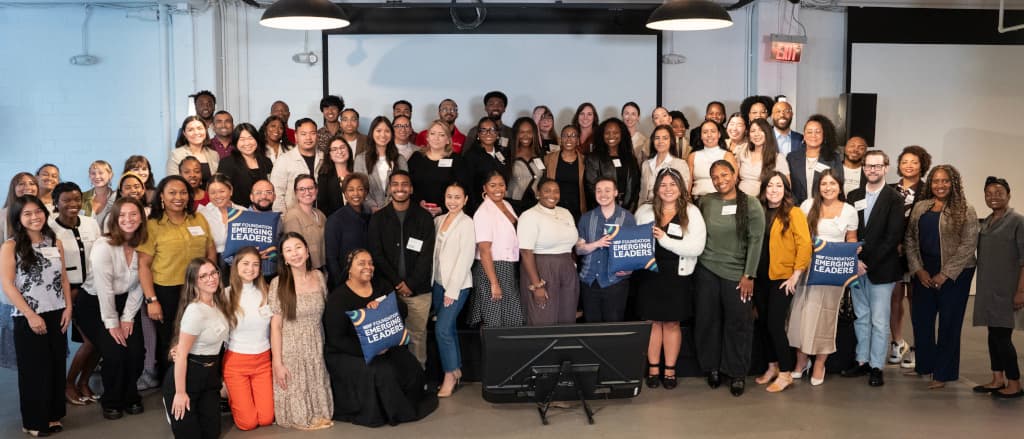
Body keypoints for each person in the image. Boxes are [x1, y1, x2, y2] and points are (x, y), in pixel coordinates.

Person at [324, 249, 438, 426]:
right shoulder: (338, 298)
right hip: (349, 352)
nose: (368, 267)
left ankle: (407, 403)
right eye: (361, 263)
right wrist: (370, 351)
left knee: (409, 363)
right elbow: (336, 339)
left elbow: (403, 311)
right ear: (349, 269)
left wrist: (384, 306)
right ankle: (387, 412)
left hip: (383, 346)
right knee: (382, 371)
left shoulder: (381, 286)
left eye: (370, 263)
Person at [1, 195, 72, 436]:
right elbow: (8, 285)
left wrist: (69, 307)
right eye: (27, 213)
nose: (34, 217)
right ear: (18, 219)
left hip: (56, 311)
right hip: (28, 315)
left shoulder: (54, 240)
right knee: (34, 369)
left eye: (38, 211)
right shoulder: (10, 246)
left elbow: (63, 277)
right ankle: (33, 421)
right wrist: (30, 315)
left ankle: (52, 415)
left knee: (55, 365)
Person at [903, 165, 978, 389]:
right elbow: (910, 240)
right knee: (922, 320)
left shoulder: (966, 209)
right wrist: (918, 269)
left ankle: (943, 373)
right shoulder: (921, 207)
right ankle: (924, 366)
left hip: (957, 273)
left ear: (953, 183)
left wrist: (945, 274)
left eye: (945, 181)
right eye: (936, 181)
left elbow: (968, 246)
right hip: (925, 269)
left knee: (949, 322)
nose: (940, 185)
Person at [695, 160, 765, 396]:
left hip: (737, 274)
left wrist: (749, 274)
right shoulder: (706, 202)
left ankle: (736, 372)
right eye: (715, 176)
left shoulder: (751, 204)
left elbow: (756, 242)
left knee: (739, 324)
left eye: (724, 174)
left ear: (735, 175)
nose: (720, 180)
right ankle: (712, 368)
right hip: (706, 270)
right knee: (708, 321)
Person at [138, 175, 216, 383]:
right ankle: (171, 387)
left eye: (183, 192)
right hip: (167, 291)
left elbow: (210, 250)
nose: (178, 197)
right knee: (171, 340)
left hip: (199, 289)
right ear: (161, 196)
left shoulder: (198, 219)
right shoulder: (153, 224)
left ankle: (197, 382)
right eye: (172, 192)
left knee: (201, 335)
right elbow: (143, 265)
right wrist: (151, 300)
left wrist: (210, 283)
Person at [634, 168, 707, 390]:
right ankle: (653, 368)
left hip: (677, 275)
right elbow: (635, 243)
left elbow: (696, 247)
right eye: (663, 185)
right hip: (650, 275)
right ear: (656, 188)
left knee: (672, 322)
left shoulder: (691, 212)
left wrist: (665, 239)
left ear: (681, 188)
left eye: (673, 185)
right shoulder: (644, 211)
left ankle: (670, 369)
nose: (668, 189)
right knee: (653, 322)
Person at [841, 151, 906, 387]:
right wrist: (855, 262)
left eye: (878, 166)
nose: (873, 170)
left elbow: (893, 236)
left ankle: (877, 366)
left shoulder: (895, 198)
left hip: (882, 269)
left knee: (879, 320)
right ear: (863, 168)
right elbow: (849, 230)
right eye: (869, 166)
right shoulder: (853, 195)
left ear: (886, 168)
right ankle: (862, 361)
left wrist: (868, 263)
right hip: (856, 268)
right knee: (861, 317)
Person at [788, 169, 858, 386]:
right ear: (818, 187)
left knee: (825, 319)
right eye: (824, 184)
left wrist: (852, 262)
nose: (828, 188)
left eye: (833, 184)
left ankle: (819, 363)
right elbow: (798, 236)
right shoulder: (807, 206)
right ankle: (801, 363)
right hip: (807, 269)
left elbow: (852, 242)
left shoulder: (849, 210)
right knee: (800, 316)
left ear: (840, 186)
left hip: (832, 272)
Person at [86, 197, 148, 419]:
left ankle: (130, 394)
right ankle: (111, 399)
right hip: (95, 302)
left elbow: (141, 281)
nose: (128, 219)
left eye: (133, 214)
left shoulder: (144, 243)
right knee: (115, 352)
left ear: (141, 217)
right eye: (122, 215)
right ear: (114, 219)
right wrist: (113, 324)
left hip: (128, 301)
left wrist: (129, 316)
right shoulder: (104, 246)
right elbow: (104, 290)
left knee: (136, 352)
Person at [367, 170, 435, 367]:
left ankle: (418, 381)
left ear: (411, 189)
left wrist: (410, 284)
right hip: (388, 291)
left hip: (419, 292)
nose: (400, 188)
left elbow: (426, 256)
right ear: (389, 189)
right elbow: (377, 255)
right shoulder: (378, 219)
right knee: (390, 340)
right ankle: (396, 384)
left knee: (417, 337)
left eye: (404, 184)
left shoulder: (424, 218)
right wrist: (398, 283)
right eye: (395, 184)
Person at [163, 258, 233, 439]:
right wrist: (180, 393)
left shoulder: (220, 302)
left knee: (212, 434)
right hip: (187, 377)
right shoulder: (195, 311)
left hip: (209, 380)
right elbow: (181, 355)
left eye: (213, 273)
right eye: (203, 276)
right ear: (194, 282)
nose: (211, 279)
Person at [753, 173, 811, 393]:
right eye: (770, 185)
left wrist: (796, 275)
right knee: (763, 323)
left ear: (786, 189)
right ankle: (772, 366)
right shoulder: (758, 211)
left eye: (779, 185)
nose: (774, 189)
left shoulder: (794, 213)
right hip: (759, 277)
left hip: (782, 278)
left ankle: (786, 372)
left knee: (775, 325)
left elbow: (804, 244)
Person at [269, 232, 334, 430]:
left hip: (316, 343)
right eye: (288, 250)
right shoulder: (278, 284)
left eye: (298, 247)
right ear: (284, 258)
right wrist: (277, 362)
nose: (294, 253)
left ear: (307, 251)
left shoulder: (319, 276)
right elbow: (276, 326)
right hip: (291, 347)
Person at [48, 182, 103, 406]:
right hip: (67, 292)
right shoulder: (50, 227)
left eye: (77, 199)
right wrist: (68, 291)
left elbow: (99, 253)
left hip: (92, 289)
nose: (73, 204)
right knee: (91, 341)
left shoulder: (90, 223)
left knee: (100, 341)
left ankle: (84, 382)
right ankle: (69, 383)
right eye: (66, 200)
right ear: (56, 203)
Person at [972, 176, 1024, 399]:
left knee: (1003, 337)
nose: (993, 197)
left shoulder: (1018, 222)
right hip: (988, 289)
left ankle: (1014, 383)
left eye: (999, 192)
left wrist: (1021, 291)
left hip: (1008, 290)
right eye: (989, 193)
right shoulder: (986, 222)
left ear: (1009, 195)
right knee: (993, 335)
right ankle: (997, 378)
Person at [889, 145, 932, 368]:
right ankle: (897, 342)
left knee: (917, 300)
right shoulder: (889, 189)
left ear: (922, 165)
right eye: (904, 161)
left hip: (917, 254)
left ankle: (918, 346)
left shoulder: (929, 191)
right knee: (894, 299)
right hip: (893, 254)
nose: (908, 166)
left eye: (914, 162)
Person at [430, 184, 475, 397]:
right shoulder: (438, 220)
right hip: (438, 283)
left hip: (456, 286)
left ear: (465, 199)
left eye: (458, 197)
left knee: (442, 330)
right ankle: (456, 369)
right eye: (449, 197)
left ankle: (449, 374)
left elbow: (465, 258)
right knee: (449, 329)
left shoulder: (467, 223)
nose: (453, 201)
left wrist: (452, 291)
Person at [223, 247, 275, 430]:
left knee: (267, 418)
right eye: (245, 263)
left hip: (263, 361)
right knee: (248, 423)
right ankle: (233, 395)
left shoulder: (267, 292)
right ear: (236, 265)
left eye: (255, 264)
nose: (250, 269)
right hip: (236, 362)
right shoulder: (226, 295)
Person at [517, 178, 580, 325]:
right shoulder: (529, 215)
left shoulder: (566, 213)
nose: (552, 195)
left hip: (567, 269)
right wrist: (537, 285)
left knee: (567, 316)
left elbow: (570, 243)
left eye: (556, 191)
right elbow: (526, 252)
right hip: (541, 269)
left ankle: (563, 348)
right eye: (547, 191)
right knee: (543, 317)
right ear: (538, 193)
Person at [576, 178, 637, 323]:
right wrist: (597, 243)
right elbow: (579, 250)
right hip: (589, 280)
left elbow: (634, 251)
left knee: (613, 328)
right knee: (592, 327)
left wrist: (630, 270)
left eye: (607, 190)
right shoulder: (586, 218)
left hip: (615, 282)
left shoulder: (627, 218)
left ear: (616, 193)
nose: (603, 194)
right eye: (599, 190)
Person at [469, 171, 524, 328]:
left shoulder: (506, 204)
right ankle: (493, 352)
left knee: (512, 317)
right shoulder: (483, 212)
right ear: (485, 188)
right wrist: (494, 282)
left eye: (501, 184)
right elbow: (484, 250)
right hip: (492, 269)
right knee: (494, 319)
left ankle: (510, 352)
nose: (497, 189)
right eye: (492, 185)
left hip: (509, 267)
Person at [409, 120, 468, 217]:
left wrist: (442, 208)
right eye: (432, 134)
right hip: (418, 213)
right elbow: (408, 185)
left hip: (448, 213)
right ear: (427, 137)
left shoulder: (457, 160)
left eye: (441, 135)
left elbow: (462, 189)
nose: (436, 138)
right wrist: (419, 203)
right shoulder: (416, 157)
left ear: (448, 140)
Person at [325, 174, 371, 291]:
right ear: (345, 193)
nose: (356, 194)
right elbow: (331, 257)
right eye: (351, 190)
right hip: (344, 283)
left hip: (368, 280)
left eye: (360, 189)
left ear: (366, 192)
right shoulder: (335, 220)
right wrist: (341, 284)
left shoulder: (371, 217)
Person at [585, 118, 641, 212]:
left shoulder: (630, 158)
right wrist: (609, 209)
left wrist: (628, 211)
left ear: (622, 134)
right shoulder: (593, 158)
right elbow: (592, 188)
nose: (611, 136)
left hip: (627, 211)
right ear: (602, 135)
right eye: (607, 133)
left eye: (616, 132)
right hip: (602, 210)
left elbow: (636, 187)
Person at [354, 116, 409, 212]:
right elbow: (360, 187)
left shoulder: (400, 159)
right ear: (372, 133)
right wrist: (373, 207)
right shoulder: (360, 159)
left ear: (392, 134)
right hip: (369, 212)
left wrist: (389, 208)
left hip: (395, 211)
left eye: (387, 131)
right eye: (378, 131)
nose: (383, 135)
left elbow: (404, 186)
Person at [270, 118, 323, 211]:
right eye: (303, 134)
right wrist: (284, 220)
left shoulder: (324, 158)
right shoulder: (284, 160)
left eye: (312, 133)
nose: (308, 138)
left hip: (320, 218)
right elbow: (277, 194)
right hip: (292, 220)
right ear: (296, 136)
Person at [217, 123, 274, 208]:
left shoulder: (266, 162)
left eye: (250, 138)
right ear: (235, 142)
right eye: (242, 139)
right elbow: (221, 191)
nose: (247, 143)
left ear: (256, 139)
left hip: (264, 211)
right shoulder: (227, 163)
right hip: (238, 213)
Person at [462, 117, 510, 215]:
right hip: (479, 207)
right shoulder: (471, 156)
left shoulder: (501, 153)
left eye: (492, 130)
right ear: (478, 134)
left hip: (500, 204)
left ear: (497, 134)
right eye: (483, 130)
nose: (488, 133)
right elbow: (468, 186)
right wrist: (475, 209)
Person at [281, 175, 327, 271]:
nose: (307, 192)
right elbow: (294, 250)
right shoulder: (292, 216)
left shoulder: (320, 214)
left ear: (316, 190)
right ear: (296, 193)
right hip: (306, 270)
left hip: (322, 268)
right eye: (302, 189)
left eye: (310, 188)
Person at [639, 125, 691, 205]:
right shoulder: (646, 164)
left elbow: (683, 192)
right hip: (647, 208)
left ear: (671, 141)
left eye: (665, 138)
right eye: (657, 138)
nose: (660, 141)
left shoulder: (680, 164)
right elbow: (642, 194)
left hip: (670, 208)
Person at [543, 125, 586, 220]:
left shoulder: (585, 161)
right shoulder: (548, 159)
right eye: (565, 135)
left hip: (577, 211)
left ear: (578, 140)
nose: (569, 139)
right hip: (554, 209)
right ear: (560, 139)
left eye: (573, 136)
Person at [737, 119, 789, 197]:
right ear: (749, 135)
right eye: (753, 131)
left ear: (767, 133)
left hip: (763, 202)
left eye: (761, 130)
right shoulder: (743, 151)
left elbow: (787, 186)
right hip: (740, 198)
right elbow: (735, 177)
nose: (756, 134)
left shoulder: (778, 158)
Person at [197, 174, 243, 259]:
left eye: (222, 191)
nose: (218, 196)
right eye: (213, 193)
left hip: (240, 262)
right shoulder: (201, 215)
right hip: (212, 262)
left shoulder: (243, 212)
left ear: (231, 191)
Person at [688, 120, 737, 199]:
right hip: (697, 200)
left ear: (719, 134)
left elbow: (733, 181)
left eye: (713, 131)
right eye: (705, 132)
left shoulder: (728, 155)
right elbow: (688, 182)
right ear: (701, 136)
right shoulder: (693, 156)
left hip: (721, 200)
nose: (709, 135)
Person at [507, 117, 544, 213]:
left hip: (537, 206)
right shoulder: (508, 156)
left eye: (529, 132)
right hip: (514, 205)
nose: (526, 135)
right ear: (516, 134)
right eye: (521, 132)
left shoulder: (541, 155)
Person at [167, 116, 219, 182]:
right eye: (190, 130)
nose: (196, 132)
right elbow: (173, 182)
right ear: (184, 133)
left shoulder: (214, 155)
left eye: (199, 128)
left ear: (205, 130)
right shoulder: (176, 155)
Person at [316, 135, 354, 217]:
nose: (339, 152)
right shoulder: (324, 176)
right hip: (335, 221)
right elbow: (322, 206)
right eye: (334, 149)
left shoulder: (358, 170)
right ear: (329, 155)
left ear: (348, 149)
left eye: (342, 147)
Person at [81, 160, 115, 225]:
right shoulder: (81, 197)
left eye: (101, 173)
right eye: (93, 173)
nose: (97, 176)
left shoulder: (117, 197)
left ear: (110, 175)